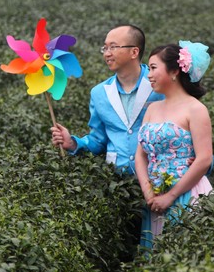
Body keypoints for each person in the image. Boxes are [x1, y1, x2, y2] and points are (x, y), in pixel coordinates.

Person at [51, 25, 164, 175]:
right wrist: (72, 143)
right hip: (116, 182)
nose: (107, 53)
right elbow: (98, 140)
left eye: (113, 47)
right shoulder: (99, 93)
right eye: (105, 48)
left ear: (134, 52)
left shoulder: (159, 85)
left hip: (157, 176)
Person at [135, 41, 214, 249]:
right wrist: (149, 193)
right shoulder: (152, 108)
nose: (148, 75)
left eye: (153, 68)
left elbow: (204, 158)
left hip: (186, 193)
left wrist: (170, 196)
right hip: (155, 195)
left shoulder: (196, 109)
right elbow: (140, 155)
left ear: (174, 71)